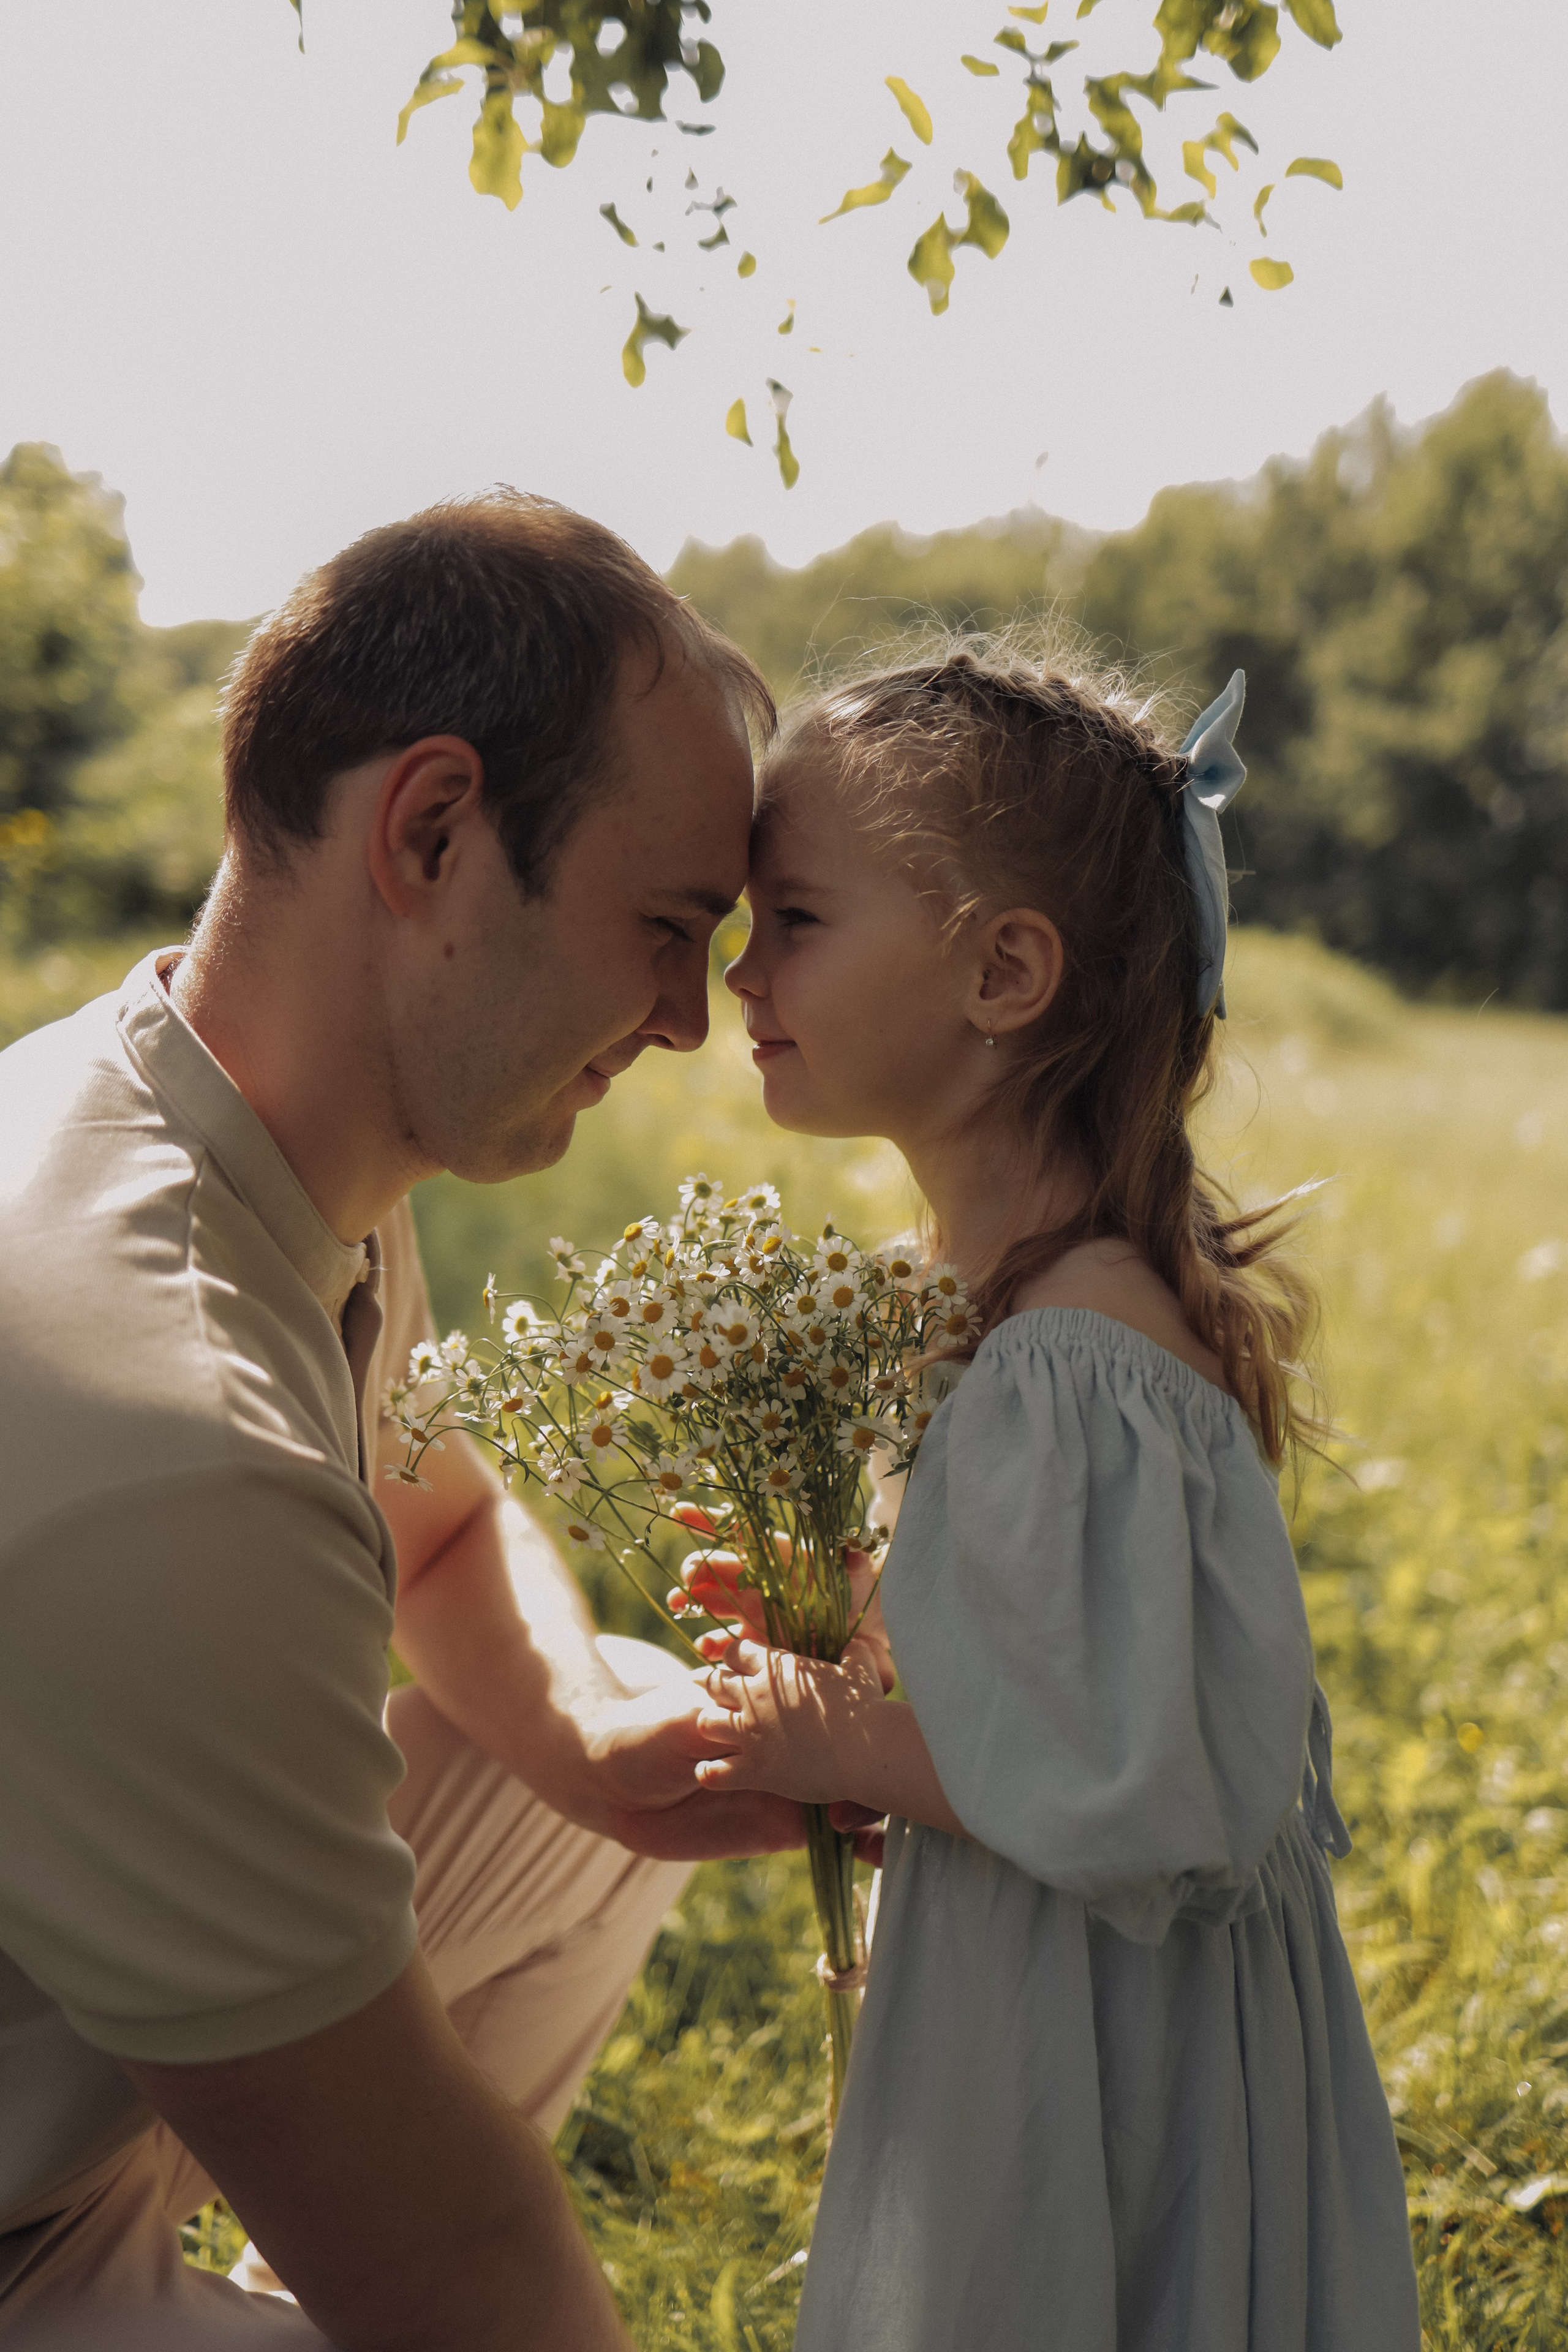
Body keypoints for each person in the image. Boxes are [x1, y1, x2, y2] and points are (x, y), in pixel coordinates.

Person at [0, 491, 799, 2350]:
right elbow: (463, 2269)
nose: (690, 1016)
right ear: (433, 830)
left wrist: (596, 1737)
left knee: (585, 1730)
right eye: (666, 924)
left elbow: (435, 1528)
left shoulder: (255, 1128)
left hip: (85, 2094)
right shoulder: (167, 1418)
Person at [684, 645, 1422, 2348]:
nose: (739, 970)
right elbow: (1048, 1670)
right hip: (1073, 1978)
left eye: (794, 918)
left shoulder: (1067, 1362)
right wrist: (856, 1620)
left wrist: (833, 1744)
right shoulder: (1015, 1314)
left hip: (1103, 2024)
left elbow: (1132, 1782)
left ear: (1003, 971)